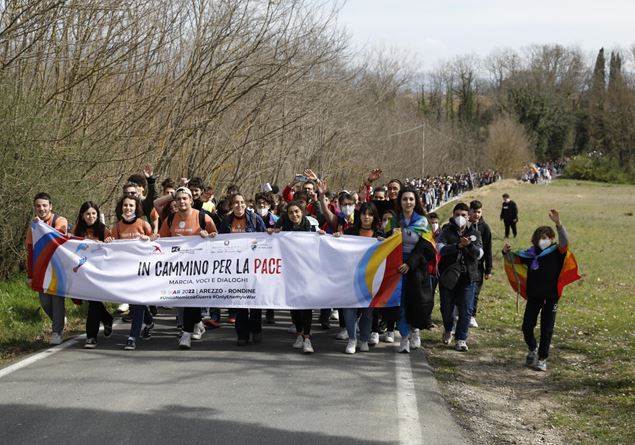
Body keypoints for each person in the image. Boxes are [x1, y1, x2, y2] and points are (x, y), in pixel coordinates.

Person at [502, 209, 578, 372]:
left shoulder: (558, 252)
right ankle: (532, 348)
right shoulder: (530, 255)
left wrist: (558, 224)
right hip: (534, 296)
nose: (542, 241)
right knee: (527, 327)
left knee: (547, 329)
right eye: (539, 239)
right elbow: (512, 259)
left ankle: (542, 359)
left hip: (551, 298)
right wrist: (505, 252)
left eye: (545, 238)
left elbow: (565, 242)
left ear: (551, 239)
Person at [159, 187, 218, 350]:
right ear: (175, 202)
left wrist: (207, 236)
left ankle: (186, 334)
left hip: (198, 267)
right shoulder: (170, 219)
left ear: (191, 200)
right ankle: (198, 323)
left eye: (185, 198)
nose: (182, 201)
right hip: (178, 267)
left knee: (191, 298)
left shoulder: (202, 217)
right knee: (186, 299)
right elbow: (161, 242)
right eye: (179, 199)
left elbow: (217, 238)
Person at [106, 195, 157, 350]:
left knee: (139, 303)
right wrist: (109, 241)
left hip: (143, 272)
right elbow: (112, 248)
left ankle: (132, 337)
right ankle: (149, 322)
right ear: (121, 207)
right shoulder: (117, 227)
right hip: (126, 272)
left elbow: (156, 244)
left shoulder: (144, 224)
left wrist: (149, 239)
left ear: (136, 208)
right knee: (135, 305)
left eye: (131, 206)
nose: (128, 208)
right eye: (125, 205)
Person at [334, 202, 384, 354]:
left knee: (368, 311)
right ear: (359, 215)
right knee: (349, 309)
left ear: (374, 217)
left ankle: (363, 339)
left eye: (370, 214)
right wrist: (337, 238)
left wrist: (385, 243)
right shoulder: (350, 232)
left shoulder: (379, 234)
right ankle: (352, 339)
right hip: (351, 277)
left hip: (371, 278)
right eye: (364, 214)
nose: (366, 217)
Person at [270, 200, 319, 354]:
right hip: (289, 272)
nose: (294, 215)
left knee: (306, 305)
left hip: (307, 272)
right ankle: (299, 334)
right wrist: (271, 233)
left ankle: (307, 338)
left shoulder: (311, 226)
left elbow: (321, 242)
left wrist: (322, 236)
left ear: (302, 212)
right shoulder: (283, 227)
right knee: (294, 305)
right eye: (291, 212)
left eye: (297, 211)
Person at [218, 192, 266, 346]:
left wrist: (270, 234)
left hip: (253, 267)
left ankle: (256, 330)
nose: (239, 205)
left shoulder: (254, 218)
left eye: (242, 202)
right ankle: (242, 334)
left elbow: (265, 238)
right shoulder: (226, 220)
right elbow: (220, 241)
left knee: (255, 301)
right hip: (235, 268)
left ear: (246, 204)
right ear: (231, 205)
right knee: (240, 302)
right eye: (236, 203)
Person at [393, 187, 436, 353]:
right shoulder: (395, 220)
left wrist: (410, 263)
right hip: (397, 267)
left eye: (411, 199)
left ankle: (415, 330)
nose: (408, 202)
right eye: (404, 199)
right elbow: (389, 239)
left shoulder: (423, 222)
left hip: (417, 268)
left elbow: (425, 246)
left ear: (416, 201)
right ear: (400, 201)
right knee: (401, 303)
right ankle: (404, 337)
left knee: (417, 302)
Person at [437, 202, 483, 352]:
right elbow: (440, 249)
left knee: (466, 309)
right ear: (453, 215)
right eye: (457, 215)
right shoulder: (446, 231)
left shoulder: (475, 233)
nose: (460, 218)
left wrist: (469, 246)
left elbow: (480, 254)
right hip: (448, 276)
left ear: (468, 215)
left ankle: (461, 338)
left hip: (468, 276)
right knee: (446, 308)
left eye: (463, 215)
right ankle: (448, 328)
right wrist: (457, 246)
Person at [26, 192, 68, 345]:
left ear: (51, 206)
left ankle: (57, 332)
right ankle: (60, 319)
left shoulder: (60, 220)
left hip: (58, 270)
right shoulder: (33, 227)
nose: (41, 209)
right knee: (45, 302)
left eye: (44, 205)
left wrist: (41, 226)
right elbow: (30, 252)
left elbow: (57, 238)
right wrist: (30, 275)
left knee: (57, 300)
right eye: (38, 206)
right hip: (42, 270)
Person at [72, 202, 114, 349]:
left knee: (94, 301)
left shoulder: (104, 230)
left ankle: (91, 336)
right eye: (88, 214)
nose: (91, 217)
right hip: (83, 272)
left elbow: (112, 249)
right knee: (92, 301)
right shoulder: (77, 230)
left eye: (94, 214)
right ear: (82, 216)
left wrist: (108, 242)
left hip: (99, 273)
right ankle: (107, 319)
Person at [468, 200, 493, 328]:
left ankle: (472, 315)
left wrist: (488, 269)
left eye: (479, 212)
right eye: (474, 212)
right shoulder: (465, 225)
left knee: (476, 291)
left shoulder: (485, 228)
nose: (476, 215)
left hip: (478, 266)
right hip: (465, 264)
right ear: (469, 211)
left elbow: (488, 249)